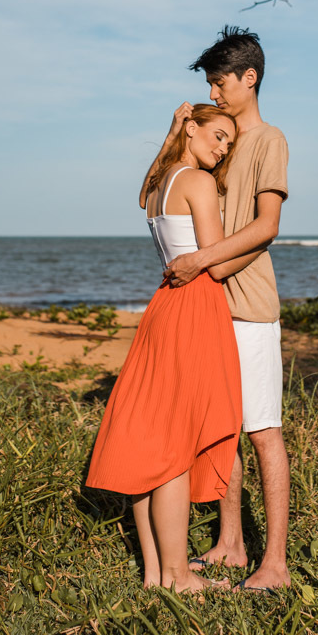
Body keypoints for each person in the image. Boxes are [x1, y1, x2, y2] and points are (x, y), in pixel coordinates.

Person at [139, 27, 291, 592]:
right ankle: (230, 545)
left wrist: (202, 260)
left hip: (249, 306)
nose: (215, 90)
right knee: (218, 431)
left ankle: (274, 563)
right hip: (208, 308)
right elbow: (161, 192)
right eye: (209, 82)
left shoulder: (267, 139)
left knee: (262, 430)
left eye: (220, 80)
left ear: (249, 78)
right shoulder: (216, 144)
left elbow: (267, 226)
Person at [86, 104, 249, 593]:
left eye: (228, 144)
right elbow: (217, 265)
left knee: (152, 434)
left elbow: (142, 194)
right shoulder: (197, 183)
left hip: (162, 308)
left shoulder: (160, 183)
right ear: (192, 127)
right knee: (175, 443)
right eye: (217, 136)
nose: (221, 150)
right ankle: (179, 577)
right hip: (197, 307)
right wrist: (260, 240)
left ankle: (156, 574)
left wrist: (170, 135)